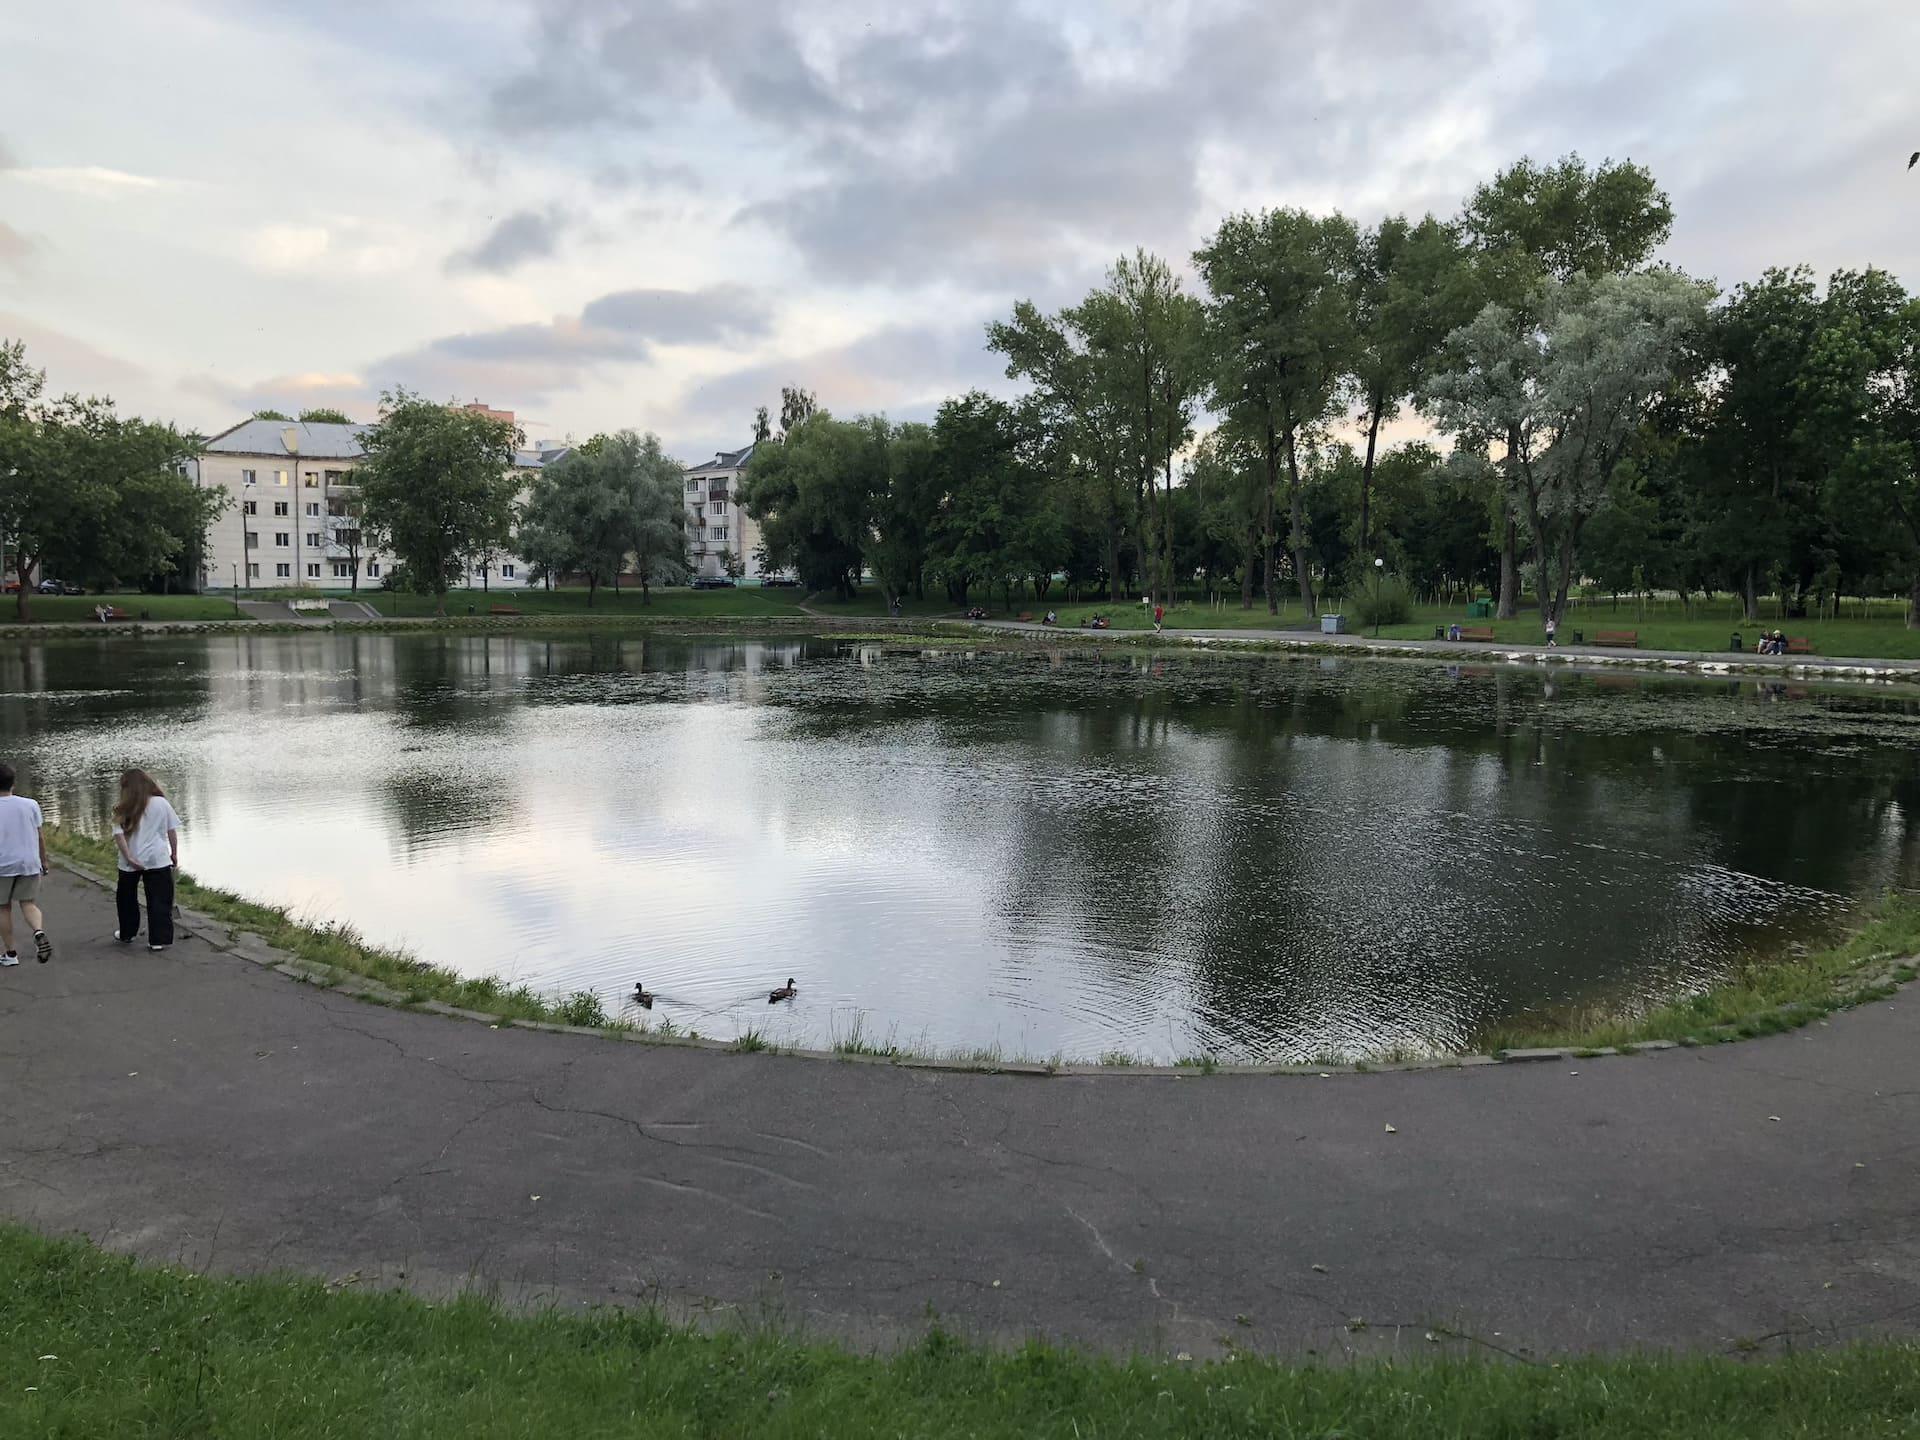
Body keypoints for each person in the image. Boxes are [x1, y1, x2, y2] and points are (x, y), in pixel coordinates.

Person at [111, 768, 180, 952]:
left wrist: (130, 858)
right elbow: (171, 830)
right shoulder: (161, 803)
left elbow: (119, 836)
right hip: (157, 858)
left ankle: (128, 933)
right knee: (159, 898)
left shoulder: (123, 807)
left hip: (130, 861)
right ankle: (158, 939)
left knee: (126, 898)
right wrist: (174, 853)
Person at [0, 762, 51, 966]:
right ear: (13, 783)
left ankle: (11, 954)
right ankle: (38, 932)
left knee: (3, 908)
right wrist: (43, 860)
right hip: (29, 862)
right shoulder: (30, 804)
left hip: (3, 865)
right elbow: (40, 836)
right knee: (28, 903)